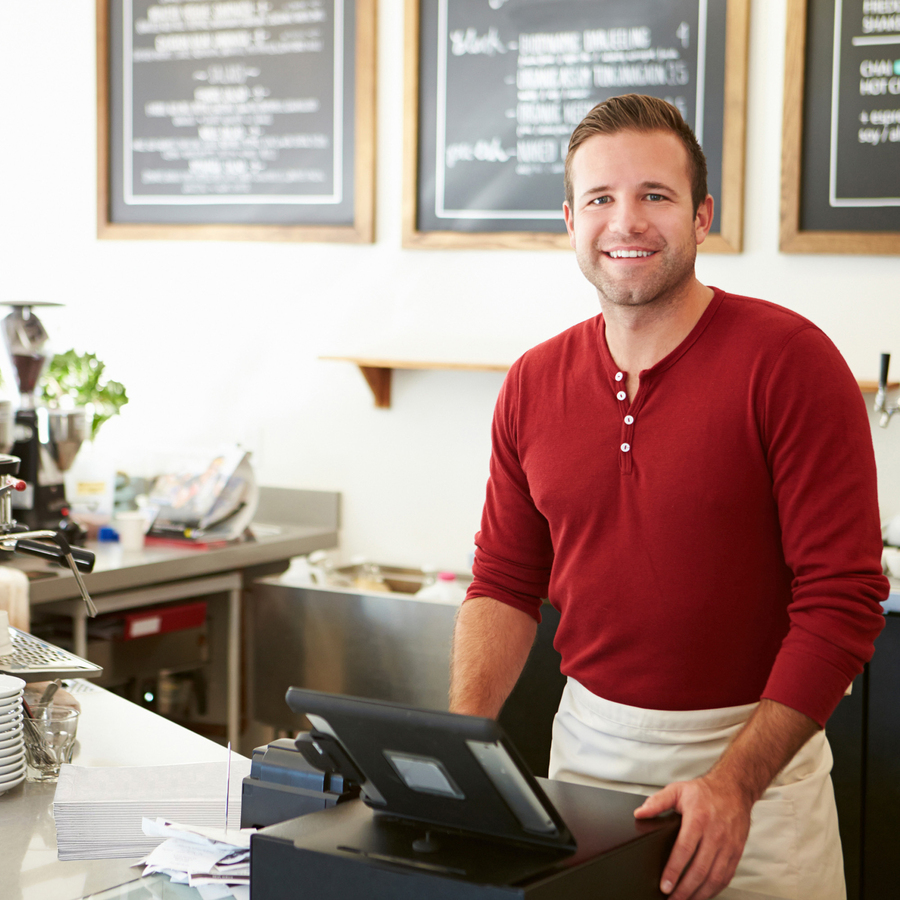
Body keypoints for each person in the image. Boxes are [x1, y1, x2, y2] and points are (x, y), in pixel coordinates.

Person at [449, 94, 888, 900]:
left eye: (655, 194)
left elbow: (844, 598)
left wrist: (734, 785)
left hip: (758, 786)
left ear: (701, 216)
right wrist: (460, 747)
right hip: (585, 769)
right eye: (600, 199)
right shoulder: (532, 383)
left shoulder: (791, 363)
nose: (627, 221)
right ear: (570, 221)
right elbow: (505, 583)